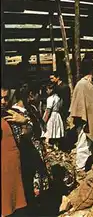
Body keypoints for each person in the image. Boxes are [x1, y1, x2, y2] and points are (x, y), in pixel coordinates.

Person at [7, 85, 50, 212]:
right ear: (30, 94)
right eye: (38, 94)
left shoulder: (31, 109)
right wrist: (26, 123)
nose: (39, 97)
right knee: (28, 185)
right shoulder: (14, 113)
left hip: (35, 153)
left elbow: (38, 130)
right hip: (26, 154)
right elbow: (22, 134)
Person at [70, 59, 93, 176]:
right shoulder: (82, 84)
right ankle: (79, 168)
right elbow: (80, 104)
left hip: (92, 119)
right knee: (84, 144)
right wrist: (83, 119)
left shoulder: (90, 84)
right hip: (85, 121)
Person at [2, 86, 28, 217]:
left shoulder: (12, 115)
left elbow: (30, 136)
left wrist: (24, 122)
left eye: (5, 98)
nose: (3, 102)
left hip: (14, 170)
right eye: (0, 98)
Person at [43, 84, 65, 150]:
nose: (46, 91)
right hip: (57, 115)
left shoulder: (50, 98)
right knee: (55, 131)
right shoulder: (59, 98)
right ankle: (56, 146)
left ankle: (48, 146)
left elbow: (48, 110)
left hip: (52, 115)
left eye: (47, 90)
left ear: (51, 90)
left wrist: (44, 121)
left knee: (48, 131)